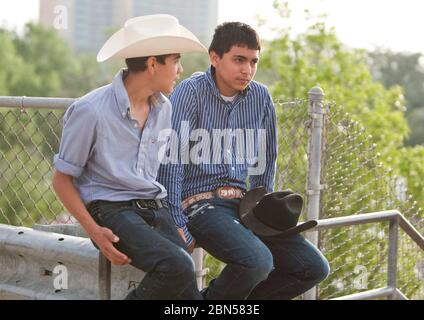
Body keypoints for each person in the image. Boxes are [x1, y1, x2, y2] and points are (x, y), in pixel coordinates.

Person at [157, 21, 330, 300]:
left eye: (253, 61)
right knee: (258, 261)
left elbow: (266, 160)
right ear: (215, 58)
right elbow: (170, 160)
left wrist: (265, 214)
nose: (247, 69)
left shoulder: (260, 97)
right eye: (239, 60)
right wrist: (175, 219)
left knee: (313, 267)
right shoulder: (191, 92)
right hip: (200, 204)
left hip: (244, 205)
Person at [52, 14, 207, 300]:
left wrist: (173, 220)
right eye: (175, 61)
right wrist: (95, 232)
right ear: (152, 64)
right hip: (110, 210)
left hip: (153, 207)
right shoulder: (91, 110)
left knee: (189, 295)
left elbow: (152, 175)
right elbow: (62, 180)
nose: (180, 69)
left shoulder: (165, 108)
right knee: (178, 267)